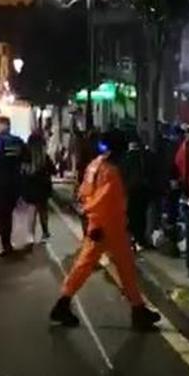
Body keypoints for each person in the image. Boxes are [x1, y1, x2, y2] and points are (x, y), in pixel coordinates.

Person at [49, 129, 162, 331]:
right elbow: (102, 201)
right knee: (93, 267)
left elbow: (85, 194)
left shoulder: (95, 165)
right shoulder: (110, 171)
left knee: (119, 268)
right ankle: (63, 303)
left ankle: (138, 309)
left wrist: (90, 219)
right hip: (107, 226)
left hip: (106, 226)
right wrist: (97, 224)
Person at [0, 116, 26, 256]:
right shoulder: (18, 142)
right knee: (8, 213)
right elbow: (25, 159)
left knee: (0, 215)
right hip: (15, 184)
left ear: (1, 126)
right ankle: (7, 242)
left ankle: (6, 243)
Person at [121, 131, 156, 250]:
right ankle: (140, 239)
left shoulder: (125, 157)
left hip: (130, 191)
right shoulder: (147, 156)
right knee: (141, 215)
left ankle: (131, 239)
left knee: (130, 215)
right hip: (143, 191)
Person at [22, 131, 56, 243]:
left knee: (31, 210)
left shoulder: (26, 155)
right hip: (43, 186)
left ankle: (30, 235)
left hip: (30, 186)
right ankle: (45, 232)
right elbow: (53, 170)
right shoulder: (44, 157)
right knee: (43, 210)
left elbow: (22, 170)